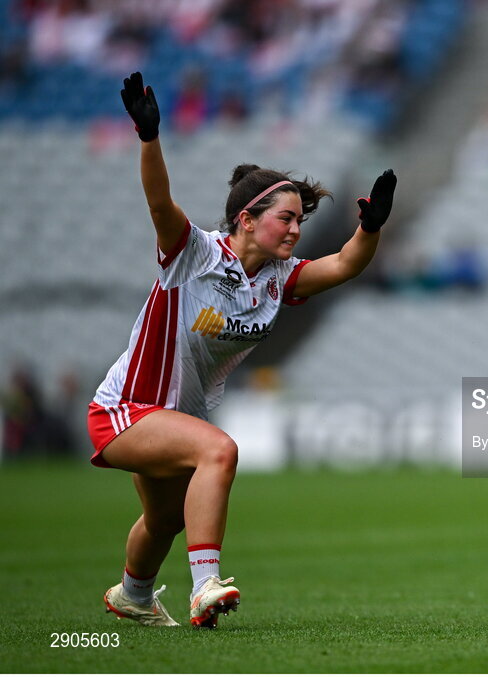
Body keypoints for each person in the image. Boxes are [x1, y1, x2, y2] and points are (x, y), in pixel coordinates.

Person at [89, 72, 397, 629]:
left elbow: (347, 263)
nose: (295, 230)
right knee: (220, 452)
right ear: (246, 220)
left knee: (162, 521)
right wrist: (148, 135)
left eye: (300, 221)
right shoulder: (195, 253)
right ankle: (205, 585)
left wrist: (369, 228)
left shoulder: (280, 278)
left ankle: (132, 594)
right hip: (128, 408)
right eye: (286, 218)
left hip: (176, 416)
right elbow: (160, 203)